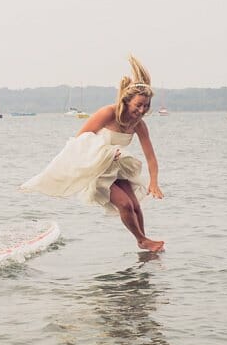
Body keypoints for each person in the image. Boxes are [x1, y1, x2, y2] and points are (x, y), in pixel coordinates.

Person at [20, 55, 165, 252]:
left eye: (146, 106)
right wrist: (104, 151)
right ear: (127, 101)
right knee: (124, 204)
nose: (142, 110)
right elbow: (80, 138)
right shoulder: (108, 113)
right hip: (97, 166)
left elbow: (151, 157)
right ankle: (141, 240)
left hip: (118, 167)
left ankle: (144, 239)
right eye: (138, 105)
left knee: (135, 205)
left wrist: (154, 183)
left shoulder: (139, 125)